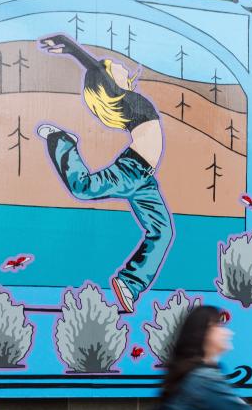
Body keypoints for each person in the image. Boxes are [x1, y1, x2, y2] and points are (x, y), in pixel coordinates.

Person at [36, 33, 172, 314]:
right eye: (114, 66)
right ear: (111, 79)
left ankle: (129, 284)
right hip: (131, 169)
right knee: (82, 187)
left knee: (162, 231)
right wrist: (71, 47)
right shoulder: (128, 100)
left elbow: (101, 71)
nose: (120, 66)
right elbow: (96, 70)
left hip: (144, 178)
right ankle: (61, 141)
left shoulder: (133, 101)